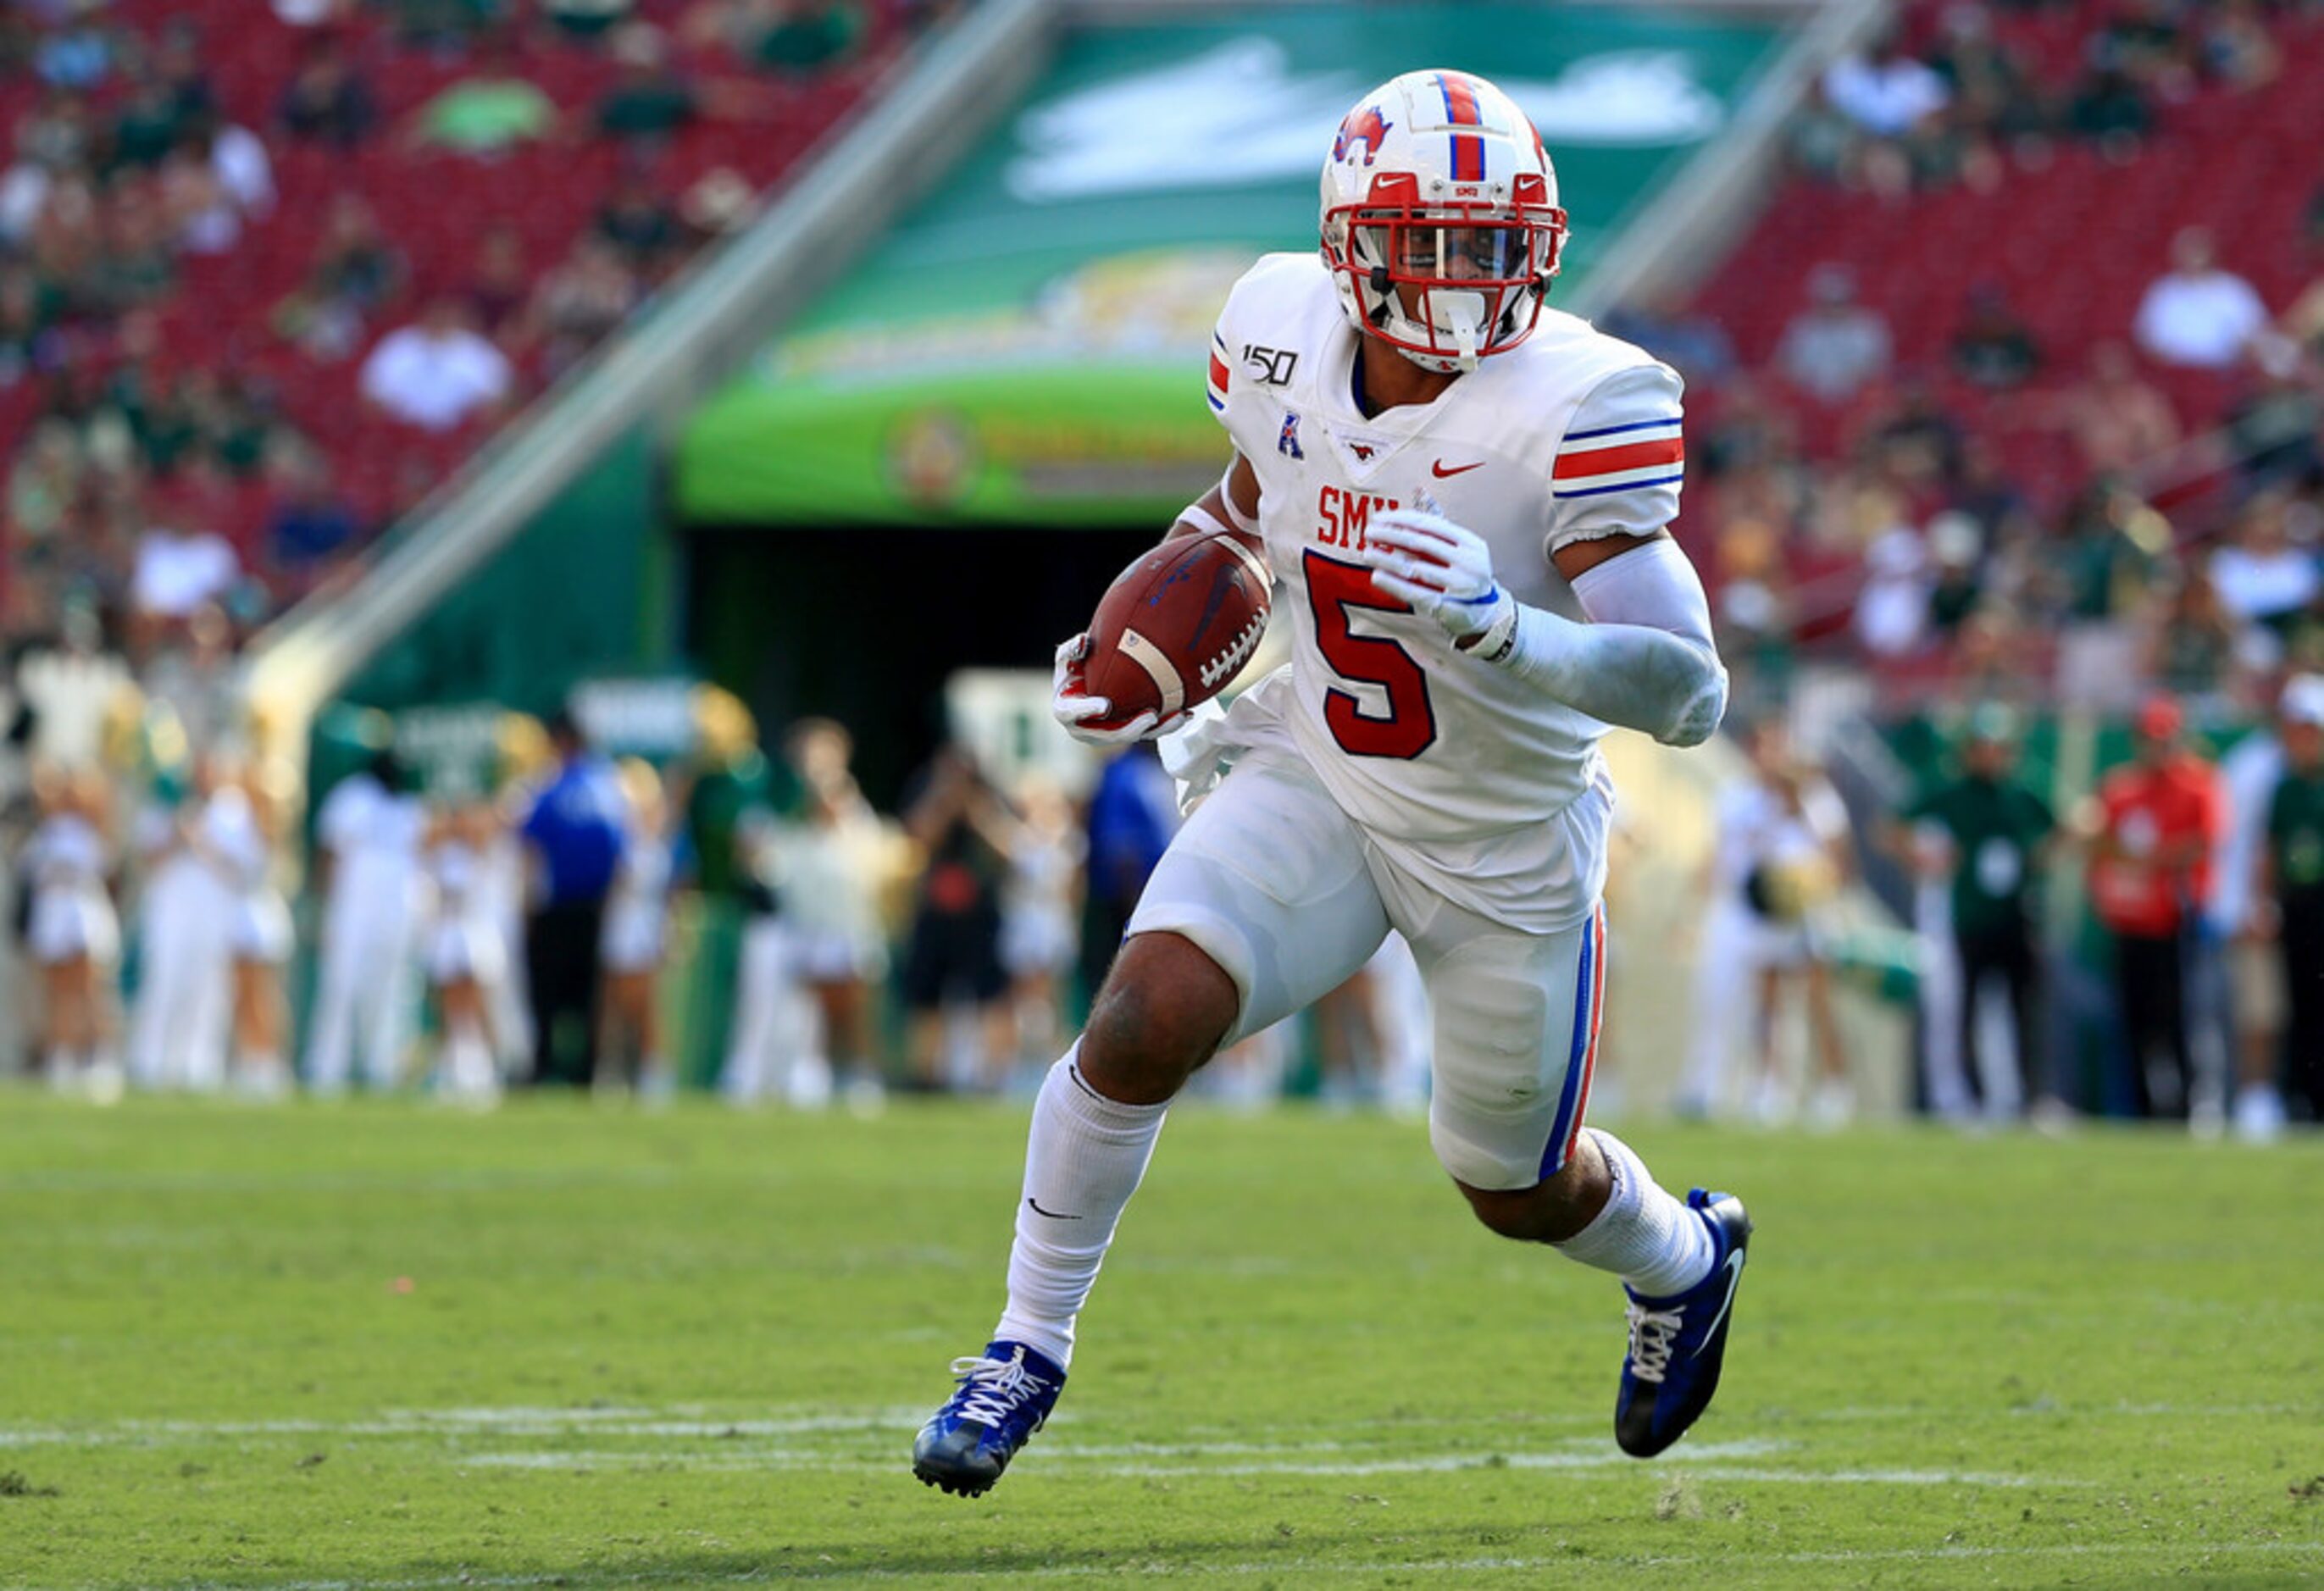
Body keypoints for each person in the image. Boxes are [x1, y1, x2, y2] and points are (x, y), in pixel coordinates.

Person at [914, 70, 1745, 1497]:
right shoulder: (1276, 329)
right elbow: (1247, 508)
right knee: (1142, 1011)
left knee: (1511, 1186)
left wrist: (1507, 626)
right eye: (1428, 240)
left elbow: (1686, 687)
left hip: (1498, 835)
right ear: (1351, 242)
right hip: (1318, 766)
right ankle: (1021, 1342)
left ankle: (1683, 1254)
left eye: (1491, 243)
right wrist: (1155, 625)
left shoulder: (1580, 401)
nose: (1463, 276)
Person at [1888, 706, 2057, 1122]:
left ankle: (2031, 1099)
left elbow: (2073, 824)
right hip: (1970, 918)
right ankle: (1973, 1099)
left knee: (2024, 1010)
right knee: (1967, 1011)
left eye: (1996, 747)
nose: (1990, 756)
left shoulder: (2023, 790)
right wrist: (1925, 860)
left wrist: (2039, 859)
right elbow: (1892, 827)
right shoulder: (1953, 792)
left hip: (2017, 917)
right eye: (1983, 748)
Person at [2077, 695, 2227, 1121]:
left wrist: (2142, 860)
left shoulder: (2198, 783)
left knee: (2181, 1020)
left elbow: (2200, 844)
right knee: (2132, 1023)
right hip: (2130, 921)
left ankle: (2190, 1109)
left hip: (2176, 921)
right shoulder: (2121, 788)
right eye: (2148, 738)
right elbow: (2096, 841)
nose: (2155, 748)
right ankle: (2140, 1112)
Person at [303, 749, 427, 1092]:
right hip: (353, 909)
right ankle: (327, 1069)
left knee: (391, 989)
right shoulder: (352, 796)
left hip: (397, 911)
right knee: (340, 986)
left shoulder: (409, 807)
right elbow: (328, 853)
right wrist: (323, 904)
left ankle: (381, 1067)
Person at [519, 710, 626, 1086]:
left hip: (557, 904)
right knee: (588, 994)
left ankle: (544, 1067)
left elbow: (532, 848)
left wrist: (527, 907)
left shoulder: (555, 784)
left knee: (546, 992)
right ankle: (588, 1073)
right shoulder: (609, 785)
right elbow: (619, 854)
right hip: (594, 906)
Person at [2261, 686, 2324, 1123]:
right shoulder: (2283, 787)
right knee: (2300, 1006)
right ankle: (2304, 1100)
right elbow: (2271, 851)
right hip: (2298, 907)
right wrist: (2265, 902)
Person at [596, 759, 674, 1097]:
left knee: (644, 1005)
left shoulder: (654, 846)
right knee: (610, 1005)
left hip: (642, 929)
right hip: (617, 927)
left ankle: (654, 1072)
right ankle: (610, 1071)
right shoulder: (618, 839)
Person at [2133, 228, 2268, 370]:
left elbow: (2255, 333)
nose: (2194, 258)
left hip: (2226, 372)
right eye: (2188, 251)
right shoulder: (2162, 291)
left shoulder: (2235, 289)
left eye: (2198, 250)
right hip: (2174, 373)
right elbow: (2147, 339)